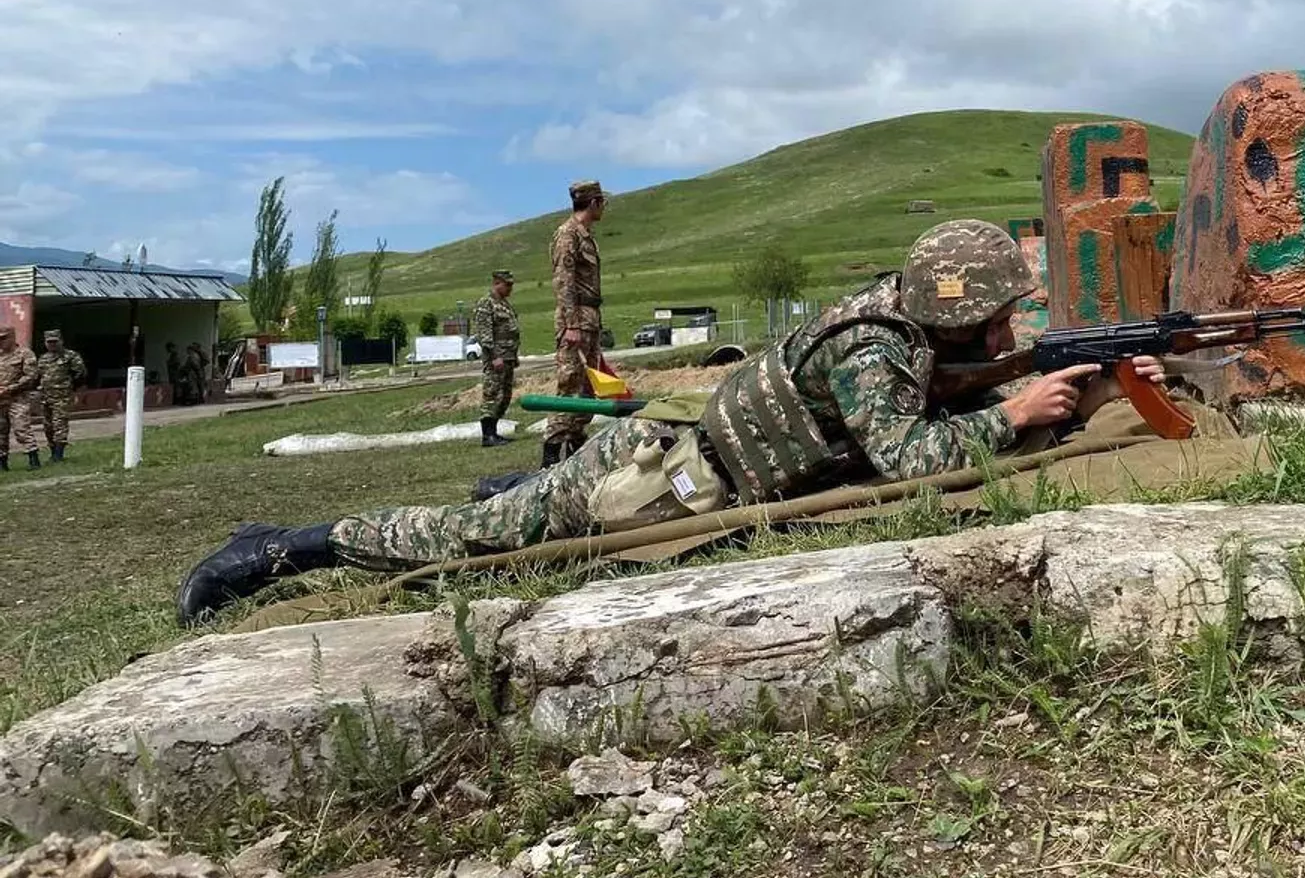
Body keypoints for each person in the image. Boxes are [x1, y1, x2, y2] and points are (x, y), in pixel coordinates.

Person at [175, 219, 1165, 625]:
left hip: (698, 448)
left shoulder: (905, 321)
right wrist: (1018, 414)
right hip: (665, 475)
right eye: (997, 313)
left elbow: (936, 395)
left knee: (524, 507)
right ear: (952, 310)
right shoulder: (877, 345)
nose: (1007, 327)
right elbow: (907, 451)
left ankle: (516, 488)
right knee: (477, 539)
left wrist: (1093, 380)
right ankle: (281, 549)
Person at [546, 179, 607, 467]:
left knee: (589, 389)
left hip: (590, 319)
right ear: (593, 203)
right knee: (569, 384)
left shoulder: (586, 235)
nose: (603, 207)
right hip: (576, 321)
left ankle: (574, 450)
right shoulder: (567, 235)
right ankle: (551, 451)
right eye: (602, 202)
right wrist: (571, 324)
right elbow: (564, 282)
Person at [470, 269, 520, 447]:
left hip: (508, 357)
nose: (510, 289)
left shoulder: (505, 304)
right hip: (496, 359)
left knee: (504, 396)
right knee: (491, 395)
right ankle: (487, 435)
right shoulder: (486, 303)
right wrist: (494, 357)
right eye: (507, 285)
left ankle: (495, 432)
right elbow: (485, 334)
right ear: (497, 283)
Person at [36, 329, 86, 463]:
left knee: (60, 424)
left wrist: (70, 388)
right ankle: (52, 452)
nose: (52, 344)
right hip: (46, 397)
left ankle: (59, 454)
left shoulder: (70, 356)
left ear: (61, 341)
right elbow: (38, 376)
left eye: (54, 342)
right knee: (47, 426)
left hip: (62, 397)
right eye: (49, 342)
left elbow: (80, 374)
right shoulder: (43, 358)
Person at [0, 326, 41, 472]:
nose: (1, 342)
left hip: (18, 398)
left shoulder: (24, 354)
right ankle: (2, 463)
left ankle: (33, 459)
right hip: (1, 400)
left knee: (21, 428)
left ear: (12, 337)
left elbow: (31, 376)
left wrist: (10, 388)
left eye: (4, 338)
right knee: (1, 432)